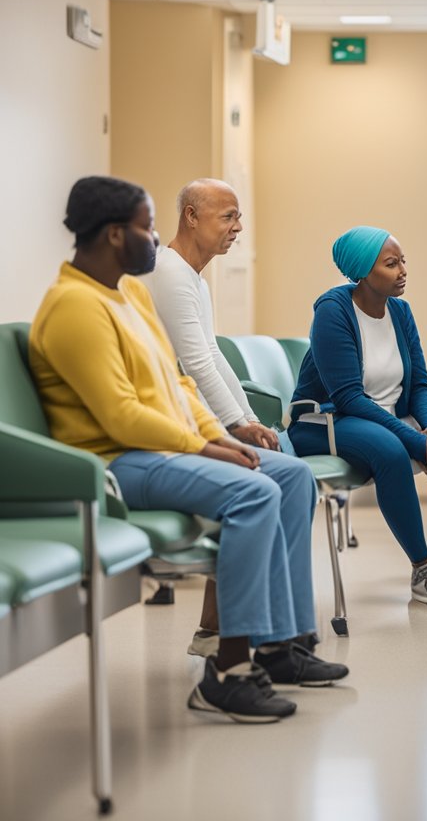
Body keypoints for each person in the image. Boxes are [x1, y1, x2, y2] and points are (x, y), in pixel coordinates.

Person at [30, 176, 347, 724]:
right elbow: (120, 417)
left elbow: (176, 385)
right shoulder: (74, 307)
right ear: (112, 235)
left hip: (163, 450)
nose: (155, 239)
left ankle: (280, 646)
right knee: (253, 493)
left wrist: (222, 433)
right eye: (145, 227)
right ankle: (226, 671)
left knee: (292, 477)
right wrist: (203, 444)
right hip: (115, 463)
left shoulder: (126, 293)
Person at [288, 226, 427, 605]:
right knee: (391, 450)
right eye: (391, 263)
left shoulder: (400, 311)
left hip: (391, 420)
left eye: (403, 261)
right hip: (327, 421)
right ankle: (422, 568)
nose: (402, 270)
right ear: (363, 271)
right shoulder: (333, 311)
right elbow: (349, 397)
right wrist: (417, 441)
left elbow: (419, 385)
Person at [142, 178, 293, 658]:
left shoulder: (194, 278)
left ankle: (225, 627)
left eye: (238, 216)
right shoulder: (168, 272)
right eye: (228, 216)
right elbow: (196, 363)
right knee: (282, 476)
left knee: (281, 459)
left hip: (193, 419)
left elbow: (213, 353)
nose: (238, 227)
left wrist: (247, 417)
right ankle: (262, 632)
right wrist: (233, 427)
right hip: (174, 426)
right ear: (191, 216)